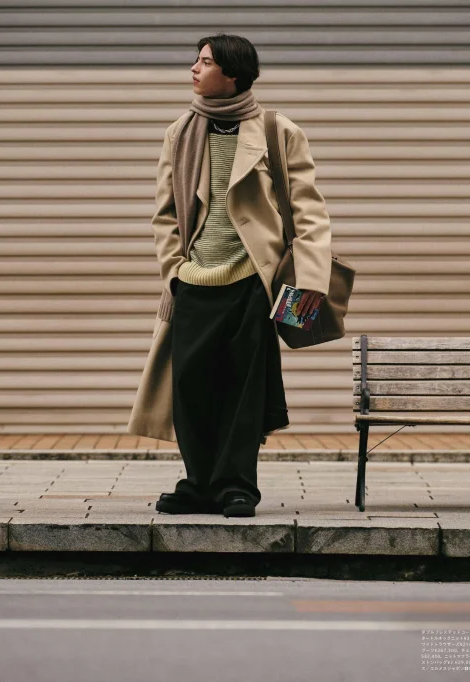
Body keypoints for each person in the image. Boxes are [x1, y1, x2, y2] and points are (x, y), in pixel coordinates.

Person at [129, 33, 332, 518]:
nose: (194, 70)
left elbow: (309, 212)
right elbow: (164, 214)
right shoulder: (180, 133)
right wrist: (175, 271)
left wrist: (309, 280)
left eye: (205, 62)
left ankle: (236, 486)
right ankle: (199, 483)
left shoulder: (278, 130)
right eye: (196, 61)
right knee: (190, 387)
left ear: (233, 74)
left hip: (253, 282)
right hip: (193, 282)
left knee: (243, 389)